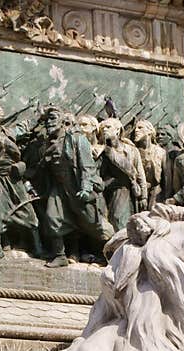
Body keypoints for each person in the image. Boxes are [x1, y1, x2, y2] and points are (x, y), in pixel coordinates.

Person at [30, 106, 112, 268]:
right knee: (53, 218)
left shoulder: (76, 139)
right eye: (46, 120)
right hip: (59, 187)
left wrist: (86, 187)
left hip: (77, 186)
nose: (48, 123)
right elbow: (43, 167)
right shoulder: (48, 143)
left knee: (94, 225)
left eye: (52, 119)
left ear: (63, 121)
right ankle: (60, 255)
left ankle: (113, 249)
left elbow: (87, 165)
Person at [0, 100, 39, 259]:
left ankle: (38, 246)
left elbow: (21, 135)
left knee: (26, 210)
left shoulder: (7, 132)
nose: (1, 109)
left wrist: (38, 113)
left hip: (13, 177)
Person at [98, 117, 146, 231]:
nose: (104, 130)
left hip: (130, 191)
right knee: (115, 221)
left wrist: (143, 196)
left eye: (108, 127)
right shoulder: (102, 152)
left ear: (117, 130)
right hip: (110, 192)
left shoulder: (131, 150)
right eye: (103, 128)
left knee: (124, 222)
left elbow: (140, 174)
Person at [132, 119, 164, 209]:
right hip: (138, 192)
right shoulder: (134, 151)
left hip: (156, 193)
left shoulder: (160, 152)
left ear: (150, 132)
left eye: (140, 128)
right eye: (136, 128)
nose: (136, 130)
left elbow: (166, 178)